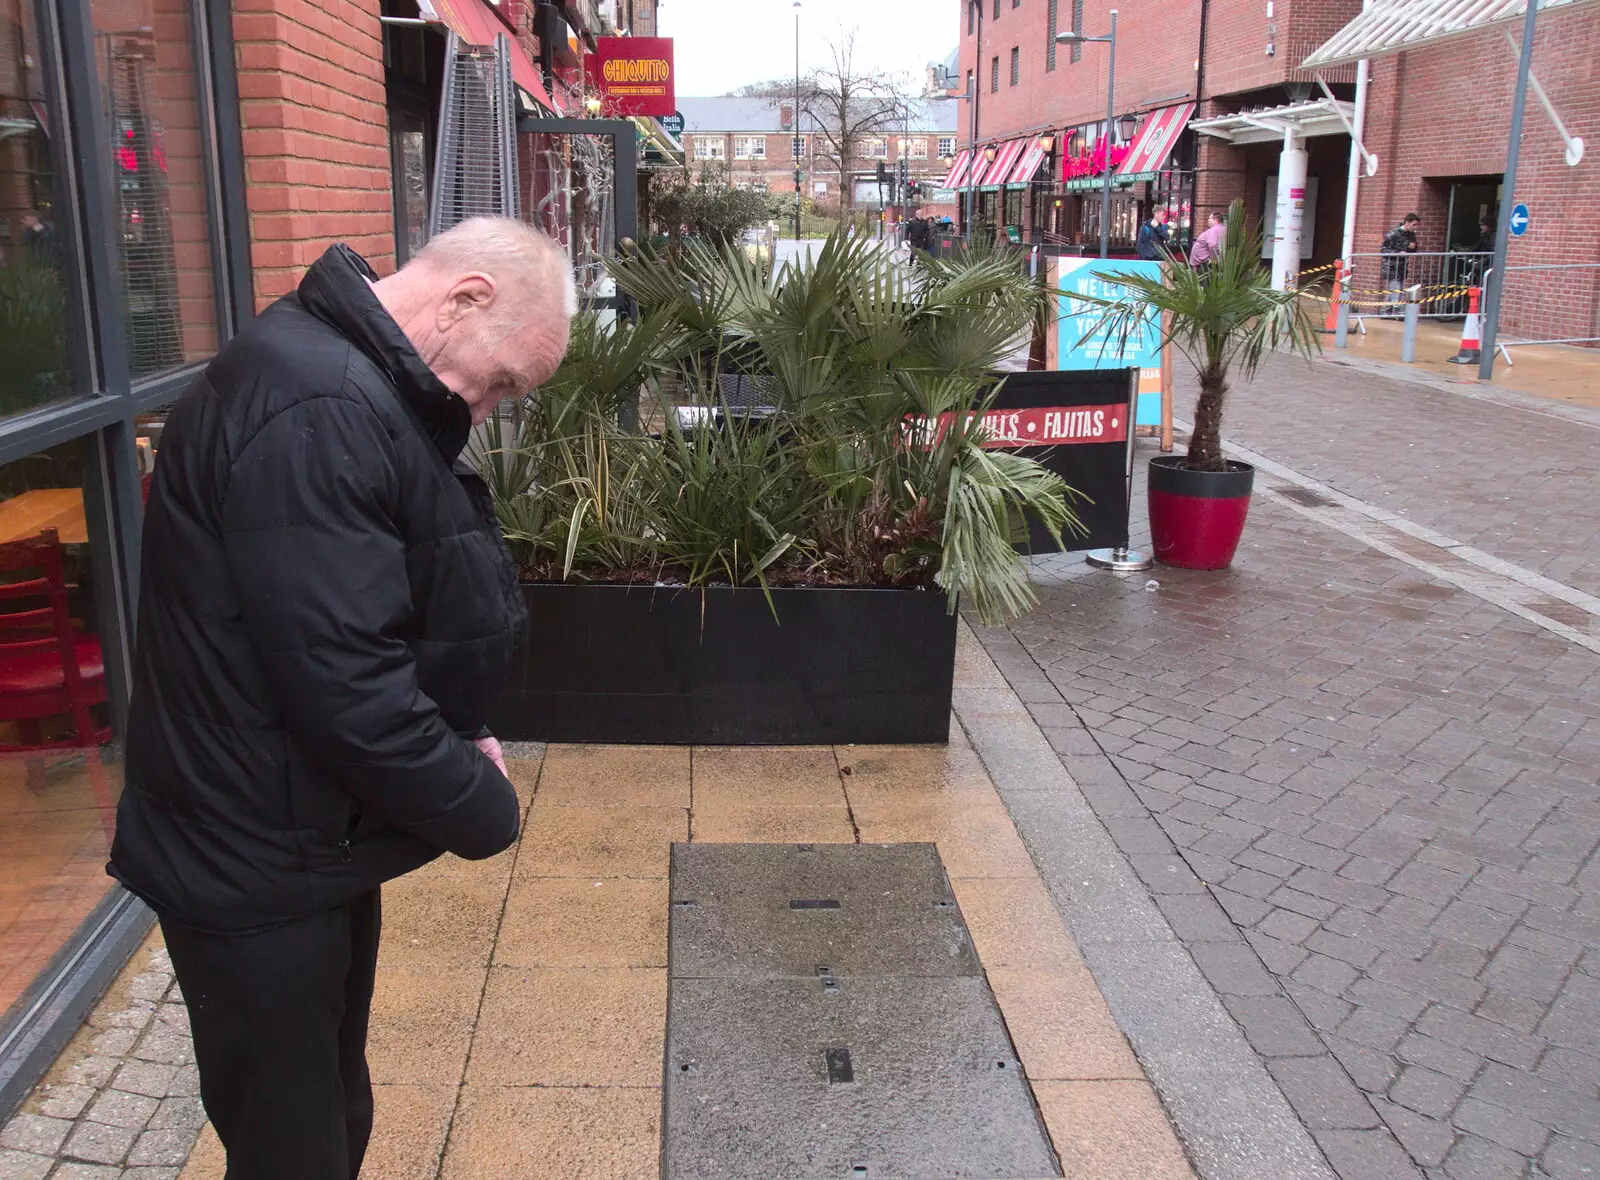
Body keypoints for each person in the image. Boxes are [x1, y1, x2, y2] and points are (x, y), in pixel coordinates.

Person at [108, 217, 574, 1180]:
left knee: (325, 1114)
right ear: (466, 297)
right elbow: (345, 682)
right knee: (295, 1145)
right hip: (251, 855)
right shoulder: (316, 400)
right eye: (500, 383)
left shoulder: (344, 382)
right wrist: (476, 796)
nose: (488, 408)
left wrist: (456, 728)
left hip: (299, 838)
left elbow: (368, 620)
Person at [1380, 212, 1421, 317]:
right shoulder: (1393, 234)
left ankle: (1385, 311)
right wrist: (1398, 253)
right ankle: (1399, 311)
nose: (1415, 228)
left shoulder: (1411, 235)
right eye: (1414, 225)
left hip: (1402, 265)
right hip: (1391, 265)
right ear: (1407, 223)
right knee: (1396, 288)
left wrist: (1412, 248)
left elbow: (1412, 250)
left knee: (1395, 288)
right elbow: (1384, 250)